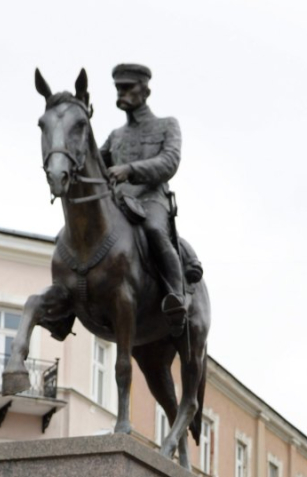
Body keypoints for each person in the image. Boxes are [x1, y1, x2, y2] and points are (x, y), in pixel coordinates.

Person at [99, 63, 191, 335]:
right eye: (118, 88)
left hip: (151, 199)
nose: (121, 93)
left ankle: (176, 297)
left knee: (153, 230)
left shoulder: (166, 125)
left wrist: (130, 170)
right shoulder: (116, 136)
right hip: (118, 204)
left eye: (127, 87)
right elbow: (94, 164)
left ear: (145, 90)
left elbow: (169, 162)